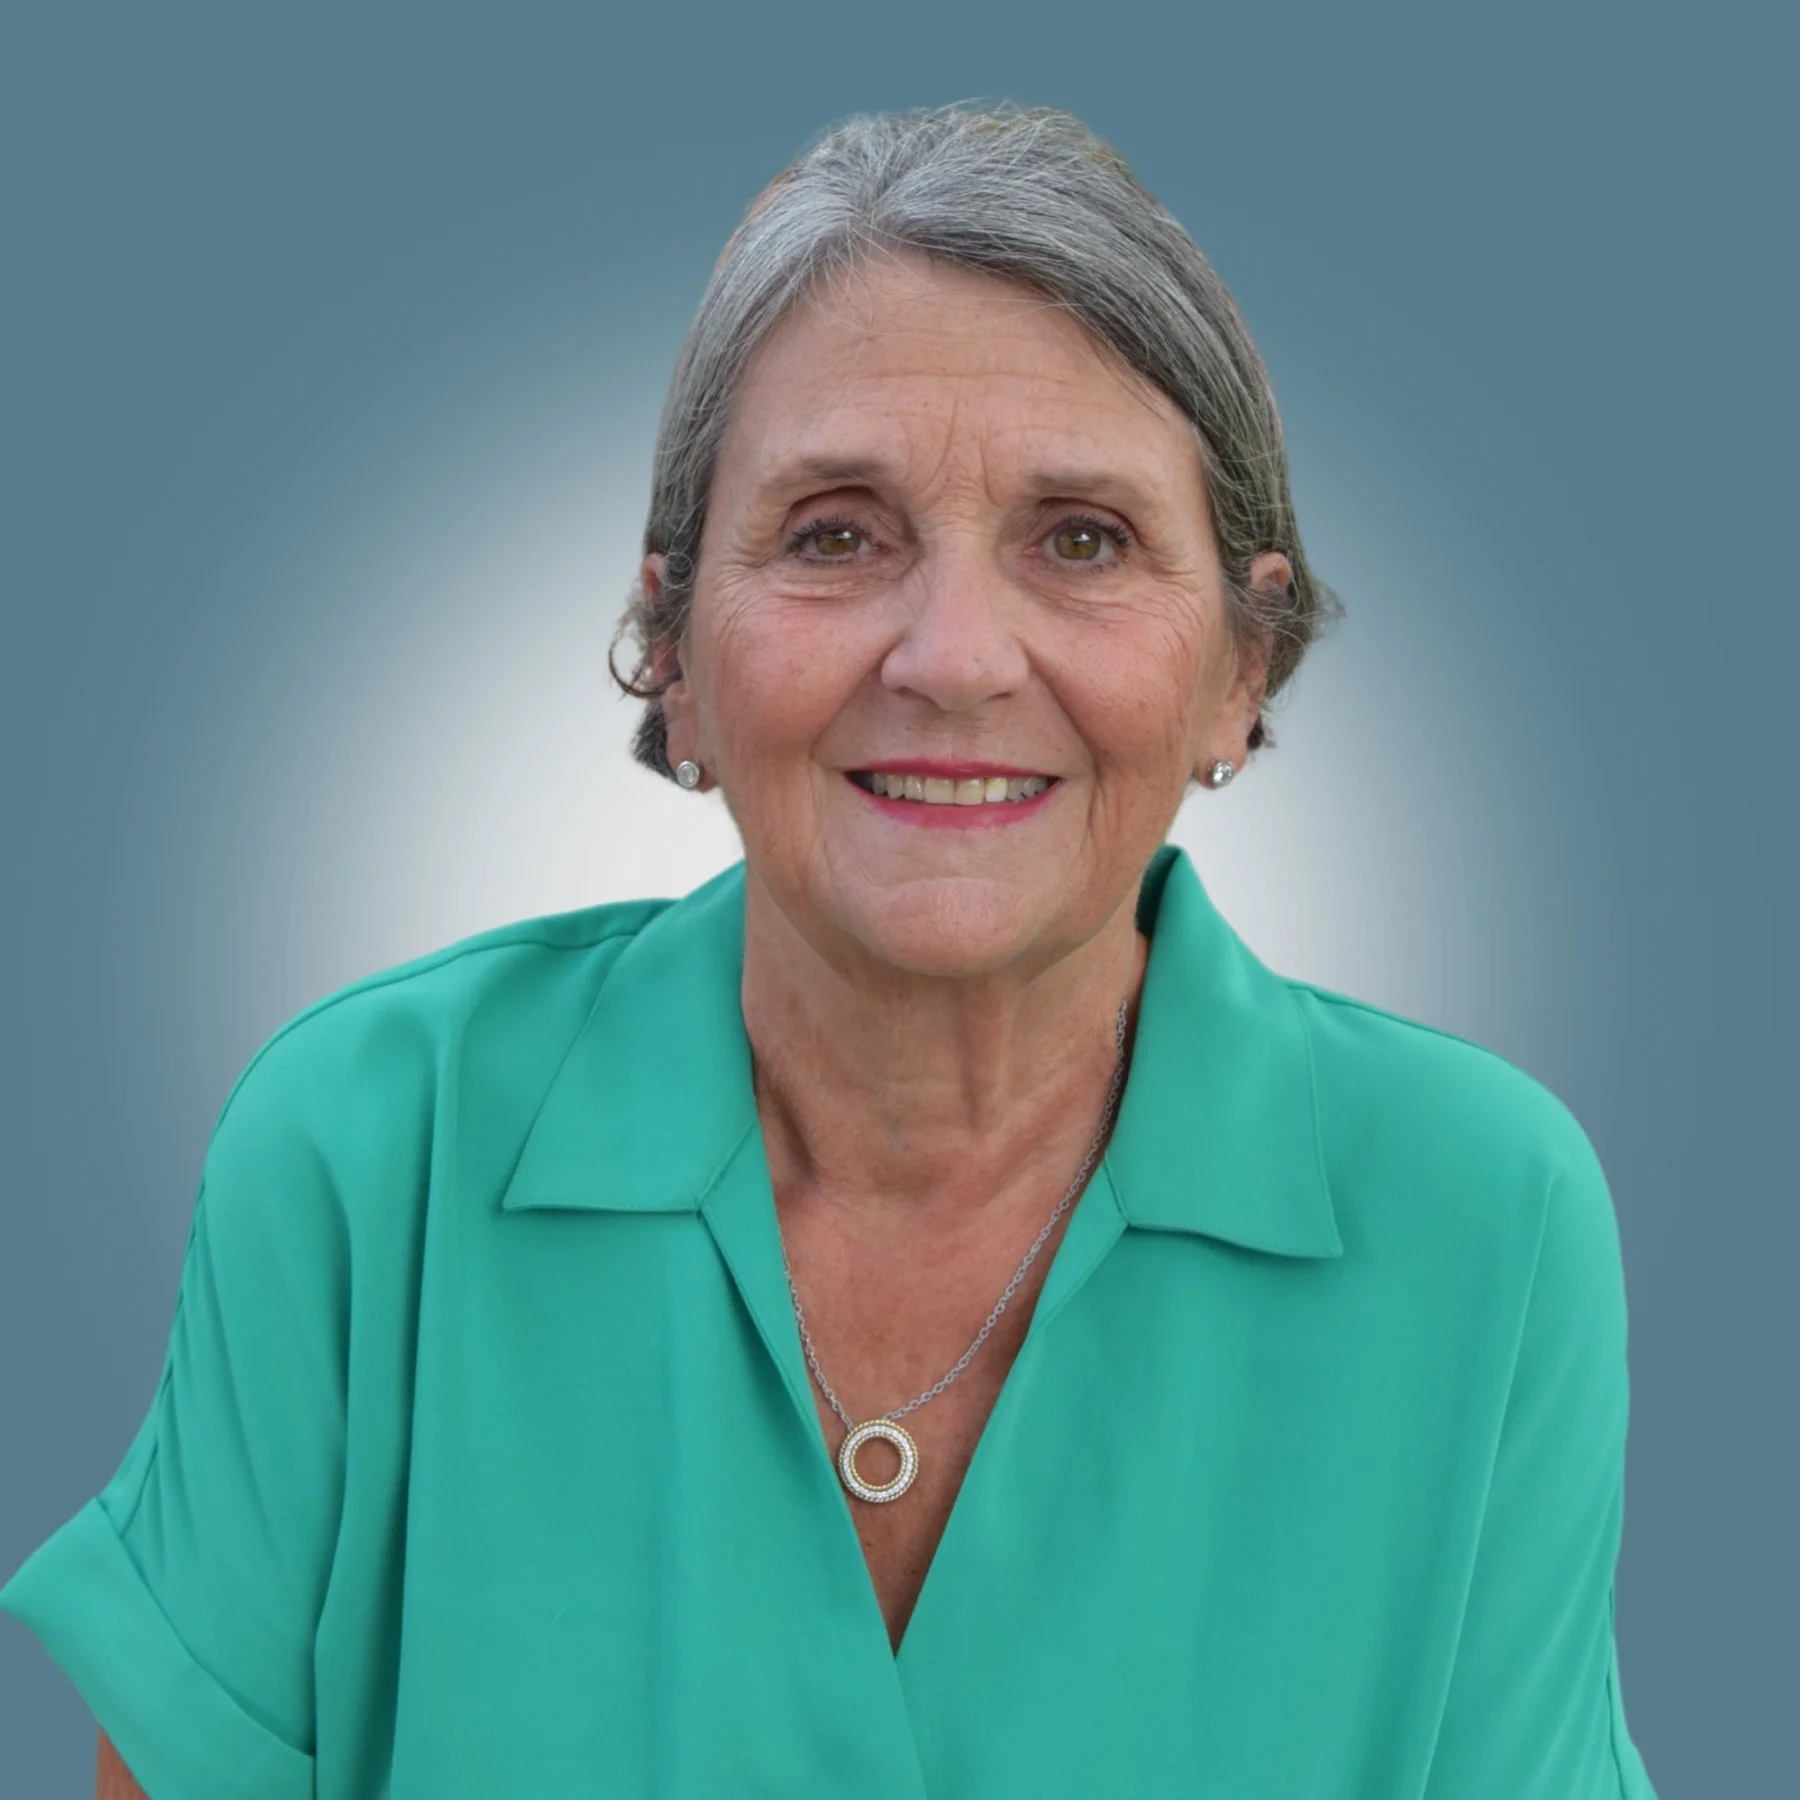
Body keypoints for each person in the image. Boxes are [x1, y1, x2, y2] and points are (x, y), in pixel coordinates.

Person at [2, 102, 1658, 1798]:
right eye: (835, 534)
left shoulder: (1483, 1213)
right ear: (677, 657)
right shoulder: (364, 1148)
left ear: (1243, 667)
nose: (951, 656)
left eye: (1081, 538)